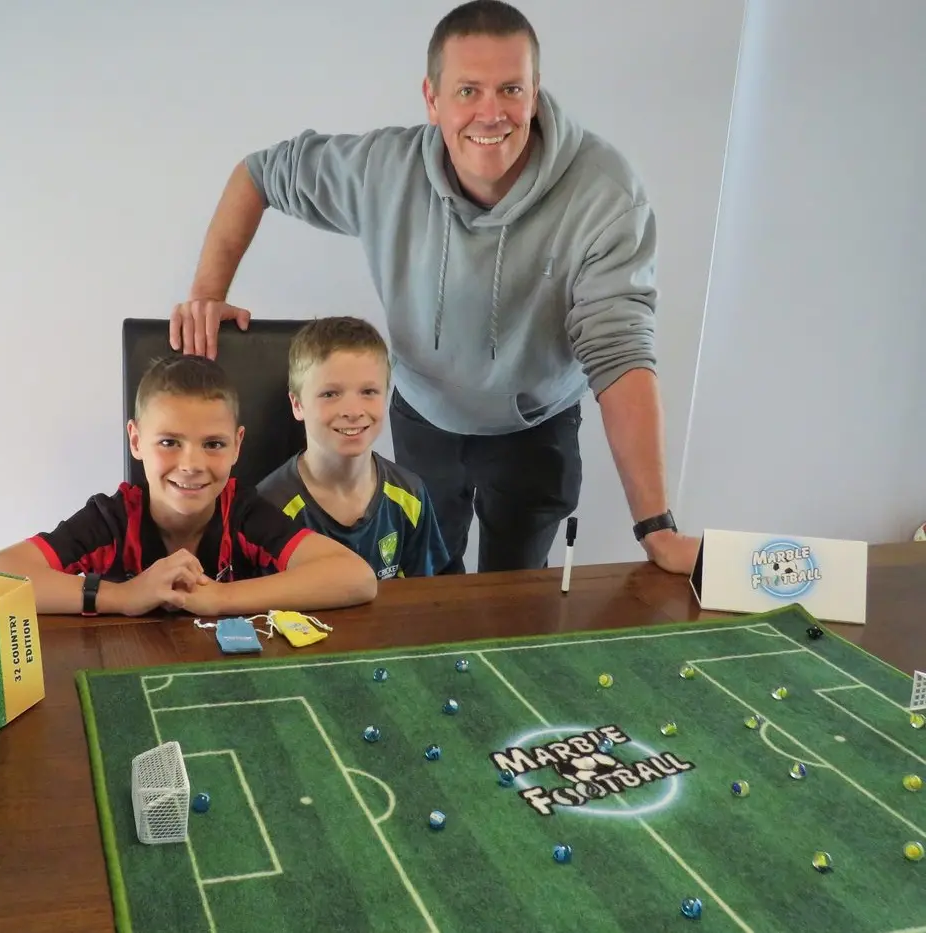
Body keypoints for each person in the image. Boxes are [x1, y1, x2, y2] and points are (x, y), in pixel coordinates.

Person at [167, 0, 701, 576]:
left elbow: (621, 356)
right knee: (424, 590)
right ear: (433, 98)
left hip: (534, 426)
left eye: (511, 90)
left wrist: (656, 527)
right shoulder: (383, 170)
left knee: (515, 598)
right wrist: (206, 292)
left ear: (536, 91)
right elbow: (260, 173)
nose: (491, 113)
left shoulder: (605, 194)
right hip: (424, 417)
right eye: (468, 91)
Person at [0, 355, 378, 616]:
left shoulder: (244, 513)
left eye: (213, 445)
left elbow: (355, 576)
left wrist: (221, 598)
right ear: (136, 441)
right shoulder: (111, 519)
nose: (191, 465)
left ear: (237, 445)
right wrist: (122, 596)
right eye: (169, 442)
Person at [257, 316, 450, 579]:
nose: (352, 411)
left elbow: (424, 598)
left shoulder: (410, 495)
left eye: (369, 391)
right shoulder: (269, 508)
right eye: (330, 394)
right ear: (297, 404)